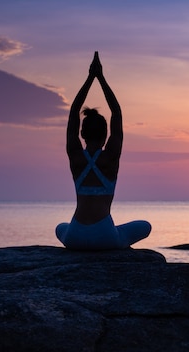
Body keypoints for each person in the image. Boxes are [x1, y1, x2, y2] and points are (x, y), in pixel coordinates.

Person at [56, 52, 151, 250]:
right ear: (106, 133)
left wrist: (90, 77)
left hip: (75, 236)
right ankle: (114, 237)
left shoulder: (75, 155)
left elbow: (74, 112)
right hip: (105, 236)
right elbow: (116, 112)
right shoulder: (110, 157)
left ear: (81, 133)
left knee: (60, 227)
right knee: (145, 226)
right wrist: (101, 77)